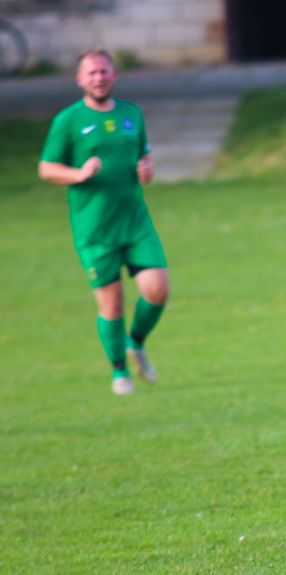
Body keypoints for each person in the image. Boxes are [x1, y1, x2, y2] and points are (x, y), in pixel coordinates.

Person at [38, 48, 169, 395]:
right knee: (112, 302)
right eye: (91, 73)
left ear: (114, 75)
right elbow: (46, 168)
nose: (99, 77)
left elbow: (144, 155)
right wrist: (79, 174)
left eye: (104, 71)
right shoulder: (68, 120)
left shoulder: (131, 113)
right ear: (80, 79)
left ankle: (135, 342)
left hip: (135, 222)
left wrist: (147, 170)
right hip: (95, 229)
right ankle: (119, 371)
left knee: (157, 290)